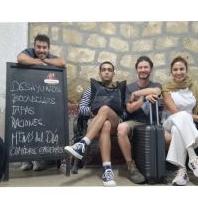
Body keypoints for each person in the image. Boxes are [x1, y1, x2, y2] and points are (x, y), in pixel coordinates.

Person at [64, 61, 125, 186]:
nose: (107, 72)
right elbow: (81, 109)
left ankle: (82, 144)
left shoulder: (119, 89)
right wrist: (95, 114)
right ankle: (107, 170)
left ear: (113, 73)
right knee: (105, 125)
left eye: (109, 69)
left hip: (116, 123)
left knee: (105, 110)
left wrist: (104, 111)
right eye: (104, 69)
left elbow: (124, 111)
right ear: (100, 73)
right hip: (97, 125)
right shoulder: (92, 89)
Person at [17, 34, 66, 171]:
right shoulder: (28, 52)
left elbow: (62, 62)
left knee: (40, 129)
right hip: (26, 98)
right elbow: (20, 58)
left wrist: (47, 61)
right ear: (34, 46)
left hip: (45, 100)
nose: (41, 50)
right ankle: (26, 160)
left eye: (44, 48)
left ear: (48, 48)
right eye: (39, 47)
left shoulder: (50, 56)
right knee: (26, 129)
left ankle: (39, 160)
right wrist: (40, 62)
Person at [162, 56, 198, 186]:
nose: (179, 72)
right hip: (170, 121)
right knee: (181, 116)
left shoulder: (194, 87)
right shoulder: (166, 88)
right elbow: (174, 112)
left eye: (181, 69)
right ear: (171, 72)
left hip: (187, 125)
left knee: (177, 130)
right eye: (175, 69)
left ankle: (181, 172)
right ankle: (193, 158)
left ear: (186, 70)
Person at [117, 56, 162, 184]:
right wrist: (144, 99)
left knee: (169, 138)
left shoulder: (156, 85)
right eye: (140, 67)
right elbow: (130, 108)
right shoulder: (130, 87)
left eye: (146, 67)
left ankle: (161, 165)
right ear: (137, 70)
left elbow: (156, 91)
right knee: (121, 128)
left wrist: (137, 94)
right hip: (136, 122)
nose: (143, 70)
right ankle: (131, 166)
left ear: (151, 69)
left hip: (153, 123)